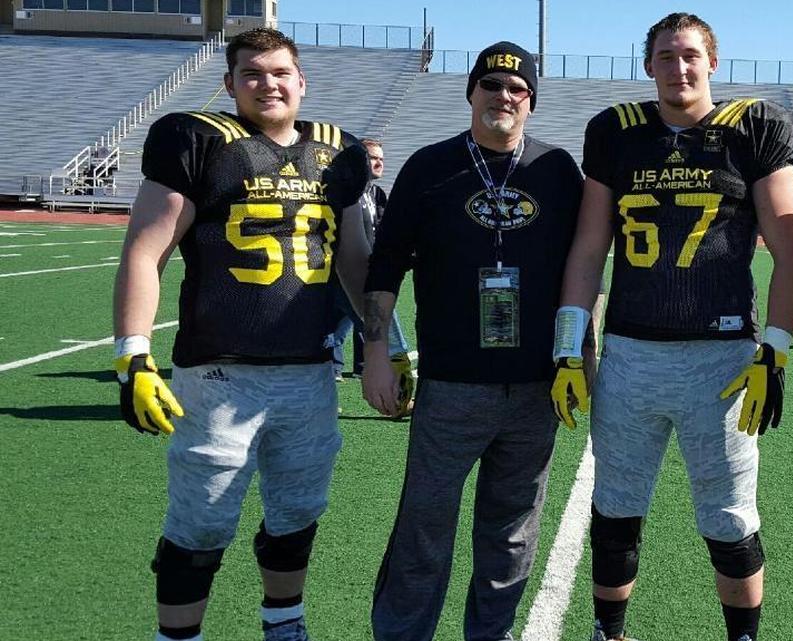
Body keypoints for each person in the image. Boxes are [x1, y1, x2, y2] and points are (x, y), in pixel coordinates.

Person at [111, 28, 378, 641]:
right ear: (229, 84)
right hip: (218, 372)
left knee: (297, 513)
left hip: (310, 368)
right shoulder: (198, 139)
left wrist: (388, 341)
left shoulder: (336, 151)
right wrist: (134, 355)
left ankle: (284, 623)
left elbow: (354, 261)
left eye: (280, 72)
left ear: (301, 81)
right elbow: (145, 252)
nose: (268, 84)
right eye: (252, 73)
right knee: (201, 523)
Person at [550, 12, 793, 641]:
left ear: (712, 62)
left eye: (691, 54)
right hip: (631, 353)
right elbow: (588, 248)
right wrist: (567, 349)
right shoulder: (616, 131)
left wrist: (774, 350)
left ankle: (741, 636)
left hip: (721, 359)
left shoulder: (753, 128)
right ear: (649, 65)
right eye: (666, 56)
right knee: (615, 510)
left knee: (730, 519)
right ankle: (609, 632)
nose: (679, 67)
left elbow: (792, 250)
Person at [360, 41, 584, 641]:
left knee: (512, 532)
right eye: (491, 84)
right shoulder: (429, 166)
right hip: (451, 383)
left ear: (531, 100)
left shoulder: (557, 170)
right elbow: (386, 265)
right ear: (471, 93)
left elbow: (583, 269)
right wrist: (377, 354)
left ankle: (492, 633)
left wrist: (581, 356)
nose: (503, 96)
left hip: (535, 386)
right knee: (424, 527)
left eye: (517, 88)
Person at [330, 138, 393, 380]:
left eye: (381, 159)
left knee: (342, 320)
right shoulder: (346, 190)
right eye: (373, 158)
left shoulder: (376, 192)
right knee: (366, 316)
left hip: (370, 265)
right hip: (346, 267)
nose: (379, 163)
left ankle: (352, 365)